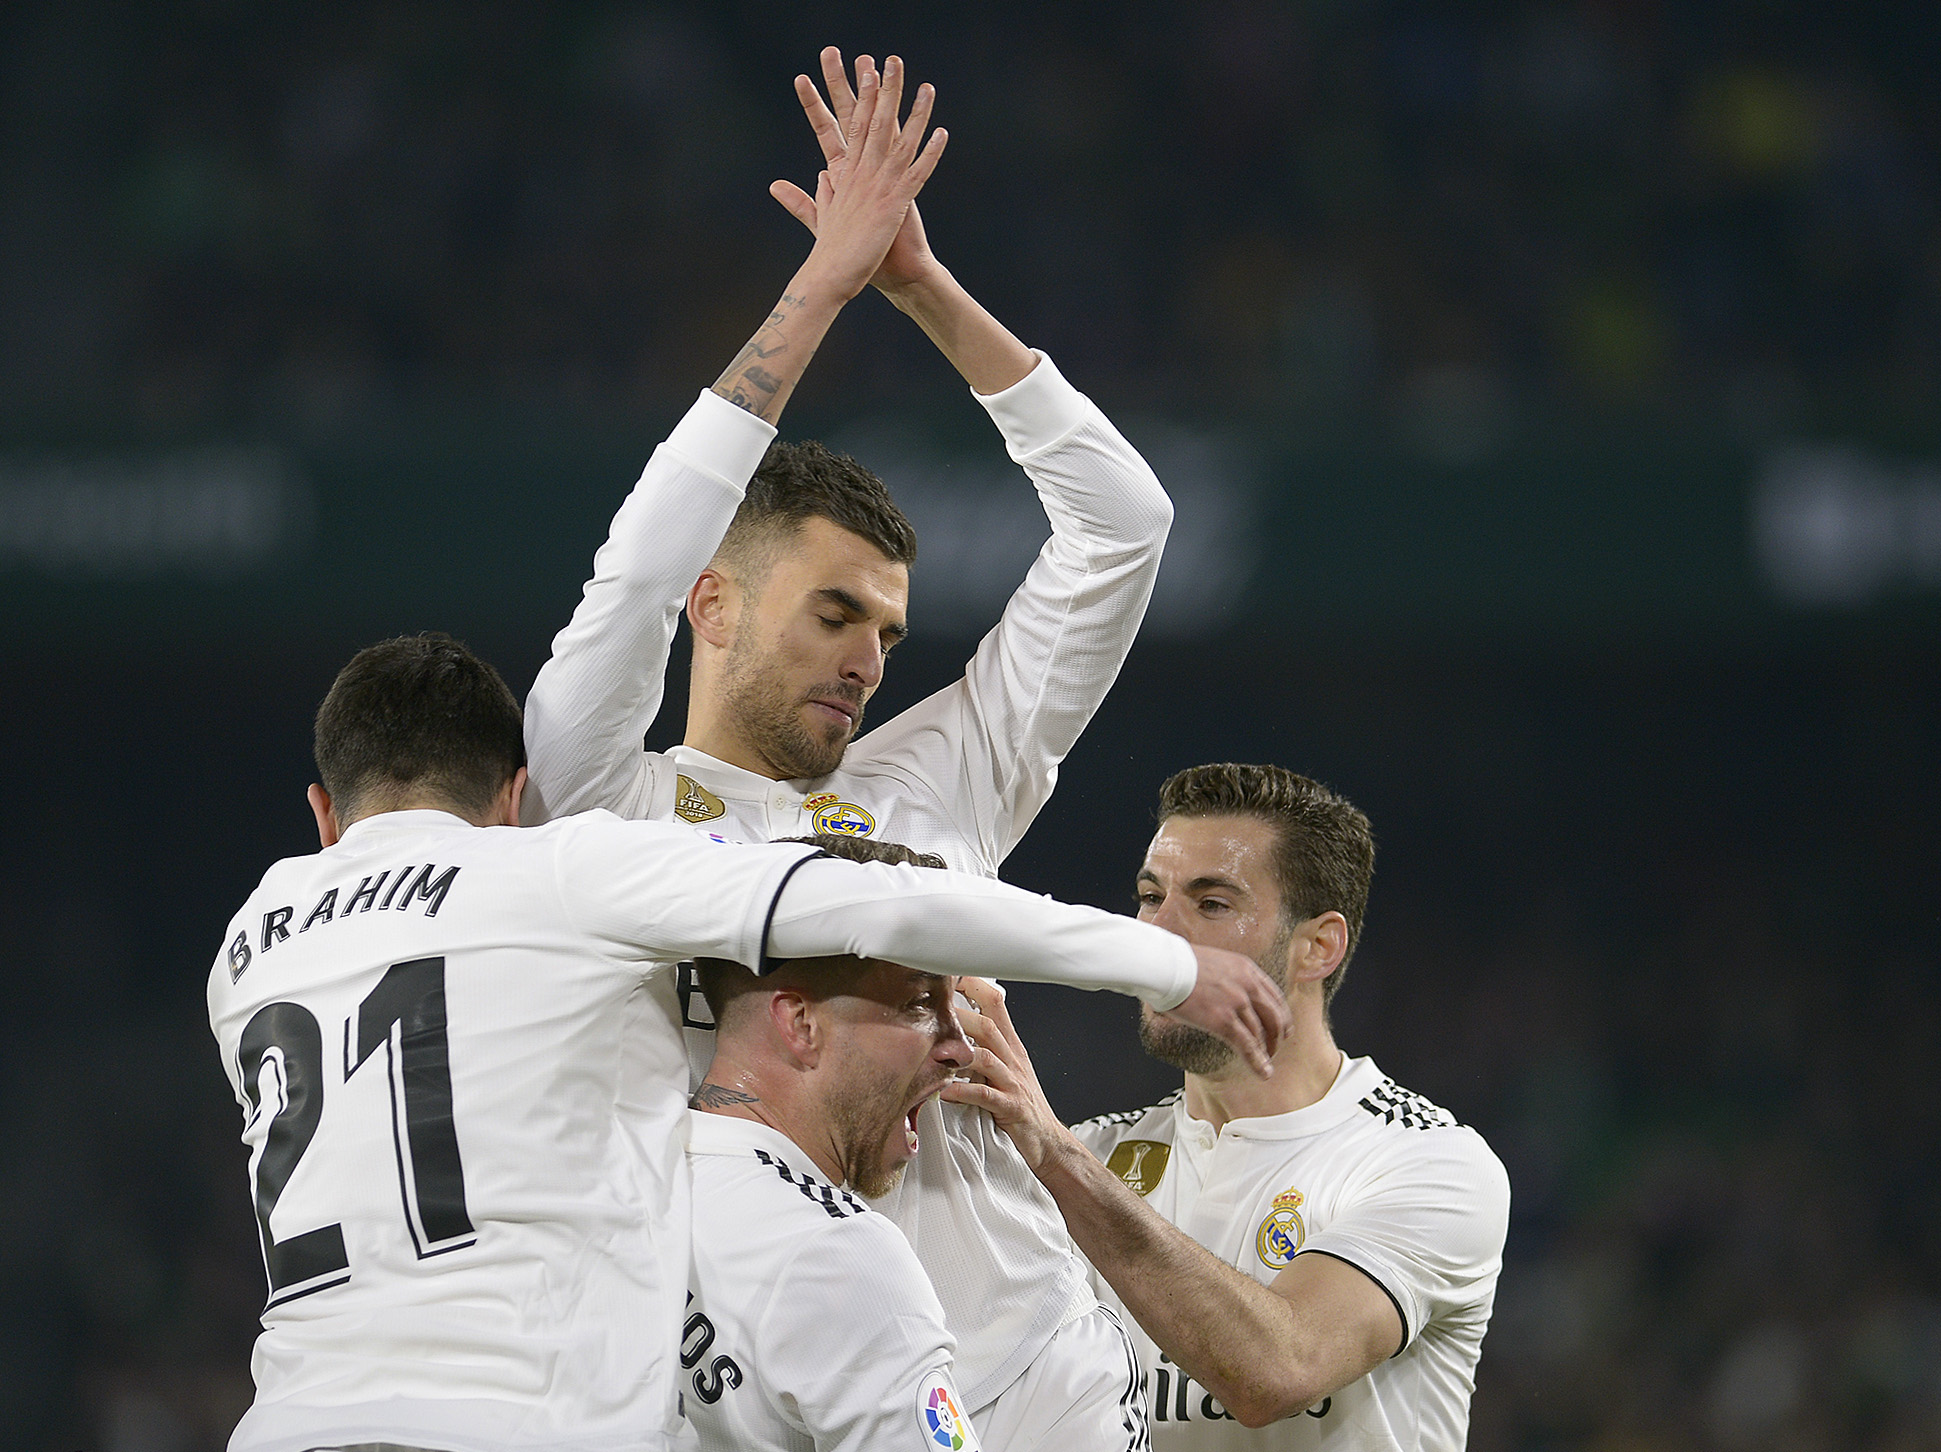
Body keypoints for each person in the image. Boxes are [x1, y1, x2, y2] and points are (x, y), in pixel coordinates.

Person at [523, 49, 1287, 1450]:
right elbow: (628, 576)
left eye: (886, 629)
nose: (869, 661)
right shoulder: (600, 806)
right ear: (714, 602)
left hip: (1036, 1391)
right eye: (833, 615)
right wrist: (817, 290)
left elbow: (1122, 527)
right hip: (758, 1403)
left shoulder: (931, 781)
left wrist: (920, 286)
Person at [206, 636, 1257, 1452]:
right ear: (516, 799)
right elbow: (877, 906)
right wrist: (1166, 964)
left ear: (324, 813)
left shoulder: (246, 948)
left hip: (287, 1419)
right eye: (918, 1008)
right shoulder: (556, 871)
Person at [943, 764, 1511, 1450]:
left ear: (1318, 947)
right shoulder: (1096, 1156)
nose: (1156, 933)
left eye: (1211, 904)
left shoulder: (1430, 1163)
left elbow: (1277, 1371)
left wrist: (1057, 1157)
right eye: (1150, 898)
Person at [685, 833, 1142, 1452]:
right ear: (800, 1023)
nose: (961, 1047)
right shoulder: (845, 1258)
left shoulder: (619, 1185)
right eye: (920, 1002)